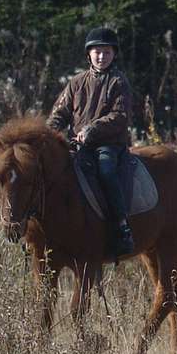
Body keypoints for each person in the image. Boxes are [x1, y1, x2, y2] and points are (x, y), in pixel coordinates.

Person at [45, 26, 137, 258]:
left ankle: (120, 226)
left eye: (106, 52)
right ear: (89, 54)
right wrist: (47, 134)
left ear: (114, 54)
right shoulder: (76, 82)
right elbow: (60, 112)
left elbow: (120, 116)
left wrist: (92, 129)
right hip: (78, 144)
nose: (101, 56)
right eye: (97, 52)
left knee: (106, 172)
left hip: (109, 144)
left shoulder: (119, 82)